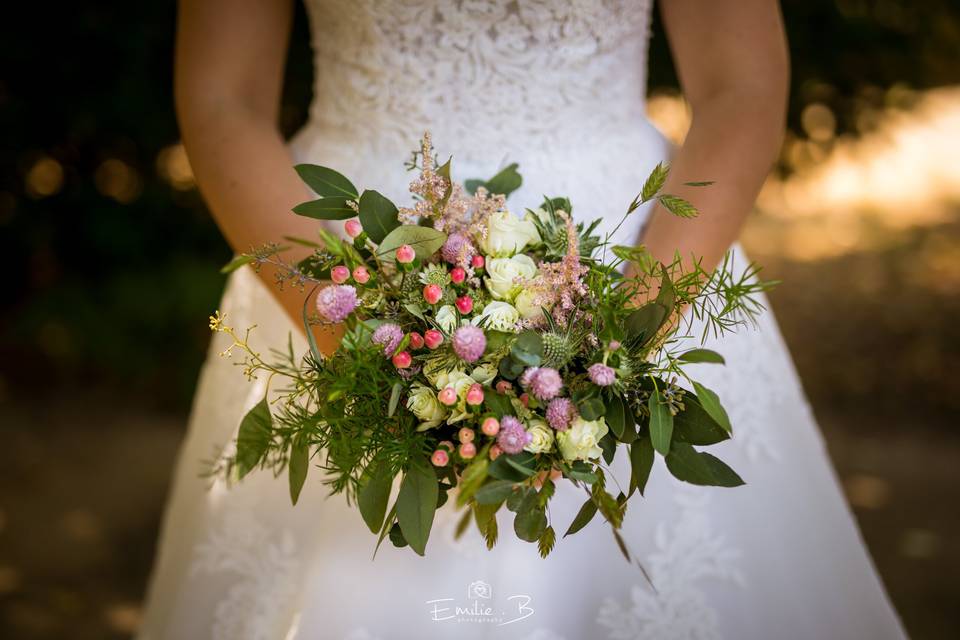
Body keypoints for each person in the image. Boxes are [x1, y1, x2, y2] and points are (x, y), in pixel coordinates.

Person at [139, 1, 908, 638]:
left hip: (630, 253)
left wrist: (620, 336)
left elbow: (742, 85)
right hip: (335, 256)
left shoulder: (628, 310)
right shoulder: (345, 302)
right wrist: (365, 337)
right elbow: (222, 95)